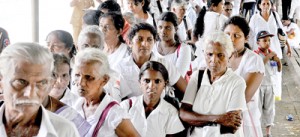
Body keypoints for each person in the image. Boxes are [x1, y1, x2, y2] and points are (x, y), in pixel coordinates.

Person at [0, 42, 80, 137]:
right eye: (21, 82)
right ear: (1, 81)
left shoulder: (65, 131)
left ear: (50, 84)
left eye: (41, 83)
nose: (30, 94)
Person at [180, 31, 247, 136]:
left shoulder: (237, 82)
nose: (213, 60)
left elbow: (231, 126)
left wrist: (197, 119)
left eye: (220, 55)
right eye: (209, 54)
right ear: (204, 54)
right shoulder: (197, 76)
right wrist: (218, 118)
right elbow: (184, 114)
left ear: (230, 56)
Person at [72, 48, 140, 137]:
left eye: (88, 77)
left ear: (104, 80)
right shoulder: (77, 105)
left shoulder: (115, 114)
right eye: (77, 75)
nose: (81, 83)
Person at [115, 23, 187, 100]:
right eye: (140, 39)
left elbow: (186, 91)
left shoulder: (164, 64)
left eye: (149, 40)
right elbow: (119, 99)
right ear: (129, 43)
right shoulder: (120, 67)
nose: (145, 44)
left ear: (154, 42)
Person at [223, 16, 265, 137]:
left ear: (246, 38)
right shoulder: (220, 58)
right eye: (227, 34)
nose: (231, 39)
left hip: (246, 120)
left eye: (237, 36)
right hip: (222, 120)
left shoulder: (253, 60)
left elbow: (242, 98)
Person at [120, 61, 185, 137]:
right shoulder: (126, 107)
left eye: (157, 81)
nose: (151, 86)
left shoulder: (171, 113)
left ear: (165, 84)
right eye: (147, 81)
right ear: (140, 83)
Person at [249, 0, 291, 101]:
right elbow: (250, 36)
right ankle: (260, 97)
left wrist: (288, 47)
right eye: (263, 3)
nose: (266, 6)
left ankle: (275, 96)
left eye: (268, 3)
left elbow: (282, 33)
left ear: (271, 5)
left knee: (276, 74)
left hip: (275, 50)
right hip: (260, 54)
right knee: (262, 75)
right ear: (259, 5)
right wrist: (251, 52)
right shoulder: (255, 18)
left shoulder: (275, 16)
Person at [254, 30, 281, 137]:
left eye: (269, 40)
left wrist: (278, 61)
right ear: (258, 42)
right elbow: (259, 66)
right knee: (258, 108)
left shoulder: (271, 53)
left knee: (270, 109)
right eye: (264, 40)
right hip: (259, 86)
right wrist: (268, 57)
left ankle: (268, 132)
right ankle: (257, 131)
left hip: (270, 85)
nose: (267, 42)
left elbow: (278, 70)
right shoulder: (255, 54)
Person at [192, 0, 228, 71]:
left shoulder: (202, 15)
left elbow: (194, 37)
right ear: (214, 6)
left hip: (201, 53)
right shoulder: (220, 18)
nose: (223, 8)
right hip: (213, 53)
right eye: (222, 4)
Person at [153, 12, 191, 78]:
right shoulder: (153, 46)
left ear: (175, 29)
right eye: (160, 27)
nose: (163, 31)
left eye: (168, 28)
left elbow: (178, 77)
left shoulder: (184, 49)